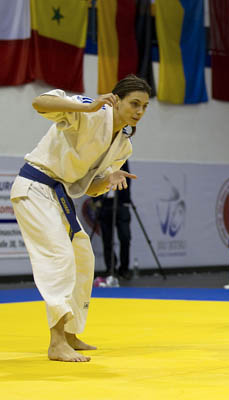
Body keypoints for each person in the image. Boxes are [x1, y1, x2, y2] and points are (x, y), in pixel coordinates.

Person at [10, 74, 151, 362]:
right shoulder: (92, 110)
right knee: (59, 257)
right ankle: (56, 341)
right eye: (134, 103)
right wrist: (86, 107)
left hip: (58, 193)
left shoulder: (124, 146)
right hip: (35, 186)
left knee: (83, 257)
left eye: (144, 106)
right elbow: (39, 102)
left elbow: (91, 187)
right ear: (116, 100)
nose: (139, 111)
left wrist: (109, 179)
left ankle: (71, 334)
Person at [97, 160, 133, 280]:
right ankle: (110, 268)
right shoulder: (100, 158)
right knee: (107, 239)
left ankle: (124, 268)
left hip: (121, 203)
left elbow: (128, 177)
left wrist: (126, 198)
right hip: (105, 203)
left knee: (125, 237)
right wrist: (95, 201)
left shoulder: (122, 156)